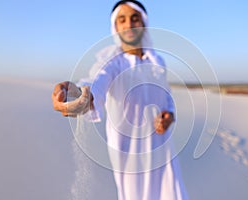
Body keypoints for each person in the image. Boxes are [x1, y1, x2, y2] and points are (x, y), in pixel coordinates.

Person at [52, 1, 189, 199]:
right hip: (129, 152)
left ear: (144, 23)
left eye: (135, 18)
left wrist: (169, 115)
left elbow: (166, 96)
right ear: (115, 27)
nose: (129, 24)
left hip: (162, 146)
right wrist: (76, 95)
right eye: (122, 20)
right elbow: (96, 82)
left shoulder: (157, 61)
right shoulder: (112, 62)